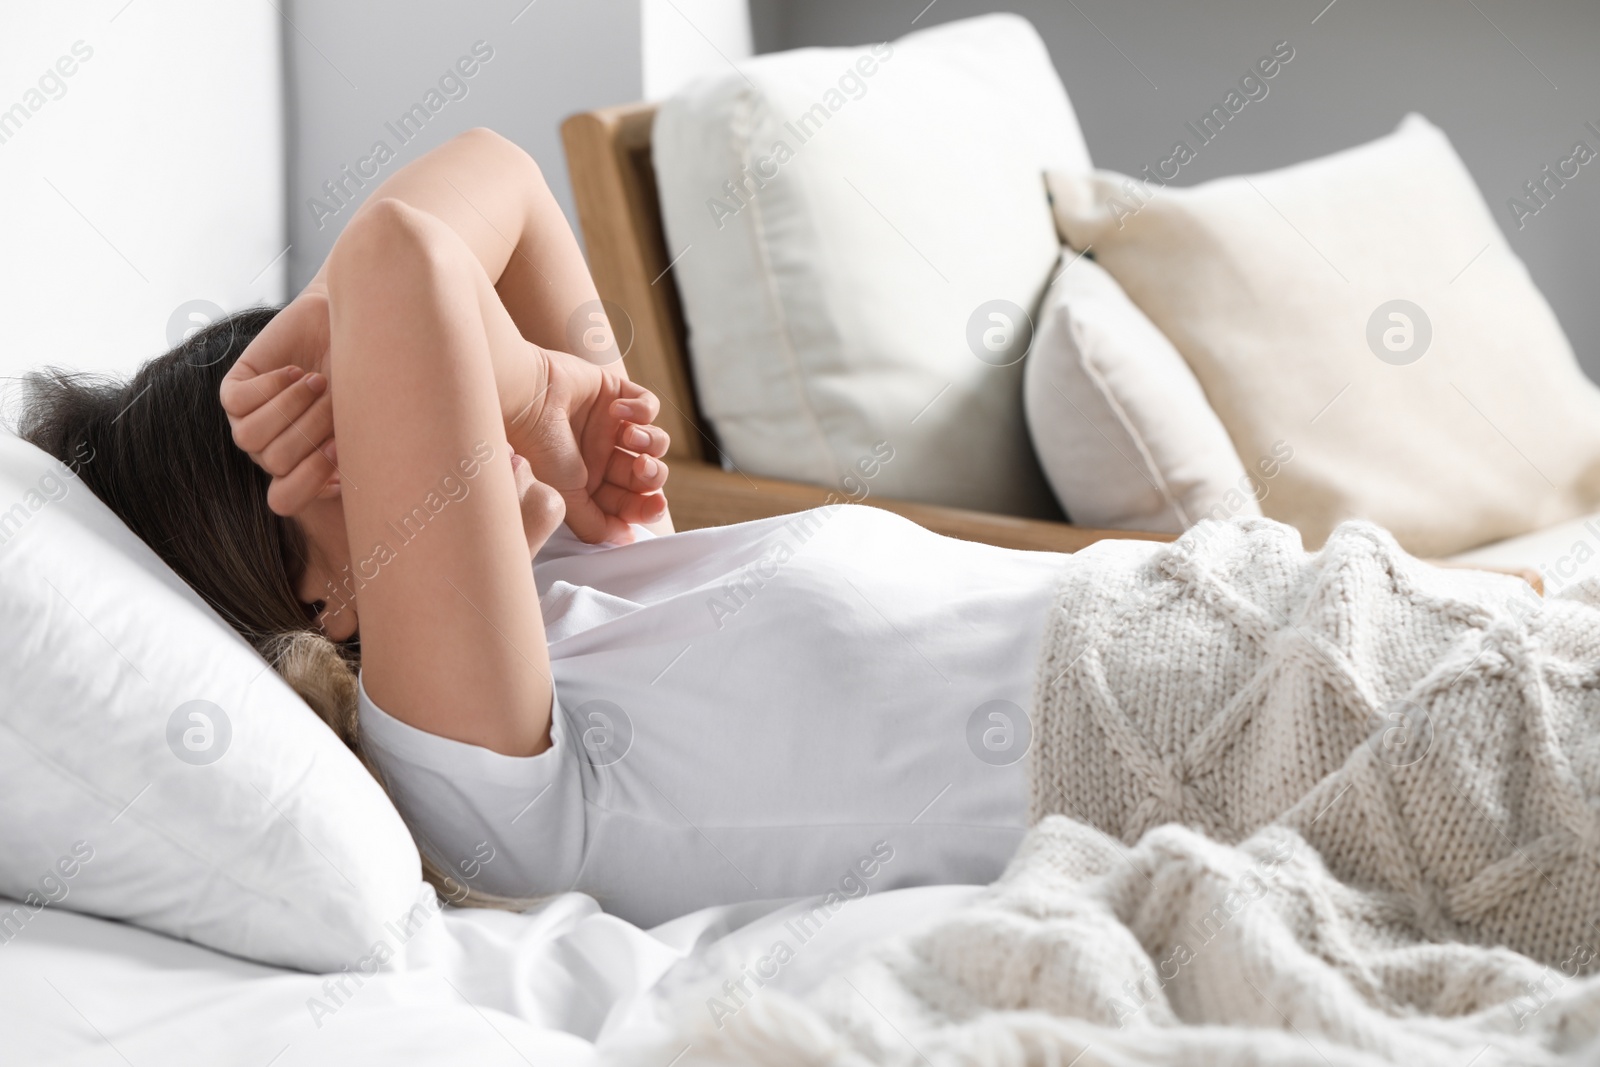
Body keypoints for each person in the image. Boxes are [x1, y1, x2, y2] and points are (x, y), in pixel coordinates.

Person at [16, 129, 1071, 926]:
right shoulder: (458, 757)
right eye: (369, 430)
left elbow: (500, 176)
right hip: (1168, 729)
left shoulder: (588, 542)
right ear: (318, 593)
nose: (438, 404)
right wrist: (529, 385)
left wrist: (523, 401)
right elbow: (401, 257)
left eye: (372, 390)